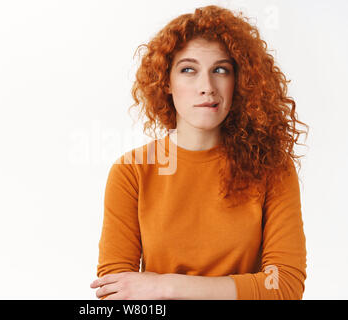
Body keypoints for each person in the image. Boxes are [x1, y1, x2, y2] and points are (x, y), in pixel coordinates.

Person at [90, 5, 309, 300]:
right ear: (166, 82)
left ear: (239, 82)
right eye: (188, 70)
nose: (207, 87)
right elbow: (116, 293)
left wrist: (163, 285)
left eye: (220, 70)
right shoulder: (132, 171)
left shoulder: (272, 167)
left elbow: (284, 287)